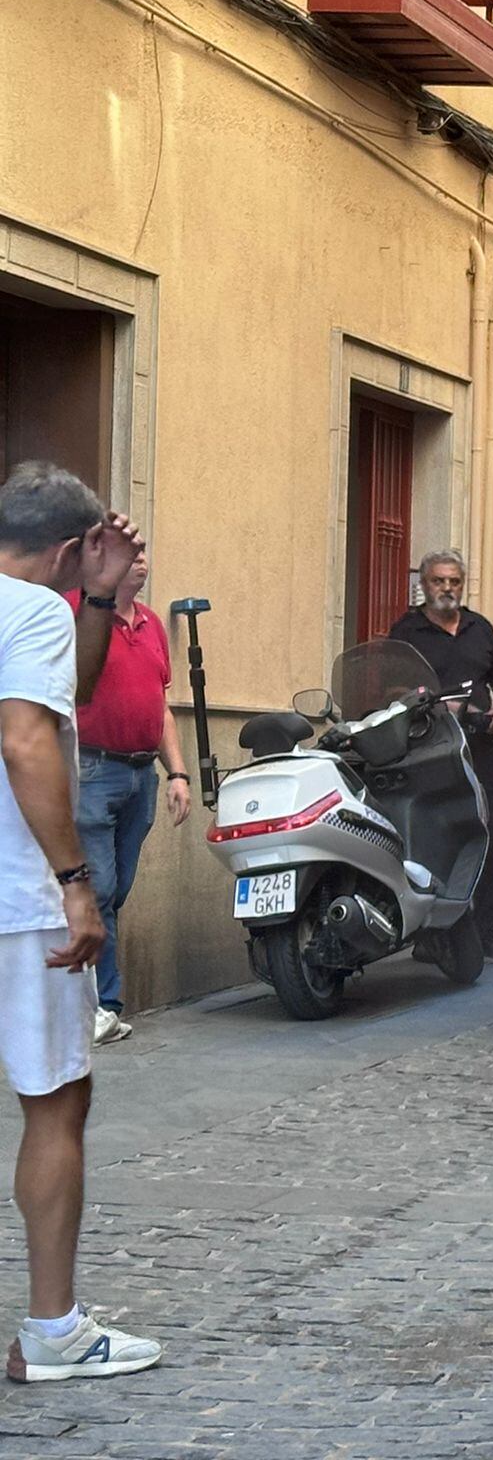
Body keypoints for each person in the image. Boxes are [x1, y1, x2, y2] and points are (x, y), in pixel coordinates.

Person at [0, 462, 160, 1382]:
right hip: (21, 901)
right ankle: (53, 1331)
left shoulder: (48, 615)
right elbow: (29, 737)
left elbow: (73, 692)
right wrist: (75, 881)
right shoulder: (27, 611)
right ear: (67, 547)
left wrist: (96, 600)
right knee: (57, 1100)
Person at [66, 549, 189, 1044]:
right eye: (131, 556)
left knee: (113, 892)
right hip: (93, 769)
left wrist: (177, 772)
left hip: (142, 776)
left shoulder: (152, 624)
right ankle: (99, 1005)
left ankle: (95, 1001)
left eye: (144, 556)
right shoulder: (75, 613)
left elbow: (160, 708)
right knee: (98, 891)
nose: (142, 563)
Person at [385, 550, 493, 963]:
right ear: (424, 585)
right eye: (439, 581)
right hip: (428, 749)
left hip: (480, 744)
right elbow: (389, 688)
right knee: (436, 837)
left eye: (454, 581)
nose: (447, 589)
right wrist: (431, 704)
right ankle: (432, 937)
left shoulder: (480, 627)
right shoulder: (407, 630)